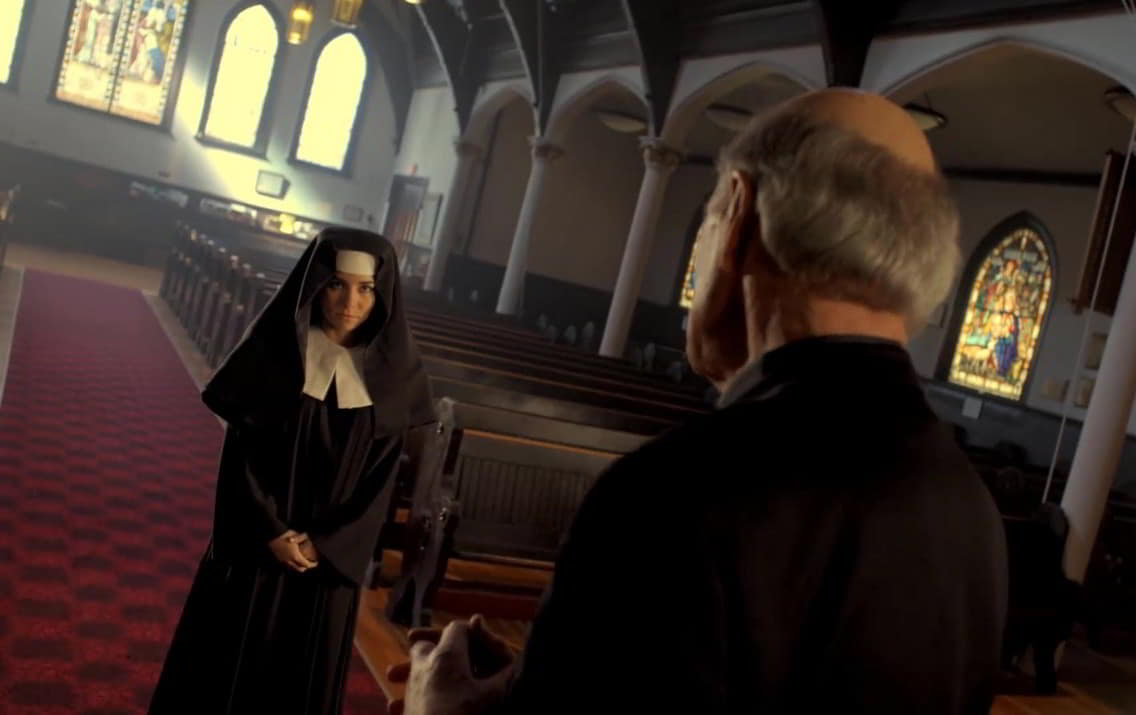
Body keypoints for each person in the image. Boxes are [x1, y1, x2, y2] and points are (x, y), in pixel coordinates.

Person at [393, 88, 1008, 714]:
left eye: (708, 220)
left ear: (738, 213)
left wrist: (435, 710)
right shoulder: (969, 510)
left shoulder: (676, 493)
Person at [149, 228, 434, 714]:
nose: (350, 302)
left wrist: (326, 543)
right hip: (257, 542)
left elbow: (379, 482)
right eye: (336, 284)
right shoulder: (275, 353)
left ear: (382, 293)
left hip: (327, 562)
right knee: (223, 668)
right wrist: (271, 530)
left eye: (365, 288)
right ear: (316, 284)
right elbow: (240, 454)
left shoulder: (393, 376)